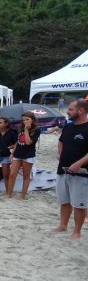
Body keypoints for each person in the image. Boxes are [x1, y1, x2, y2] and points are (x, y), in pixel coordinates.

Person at [53, 99, 88, 240]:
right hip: (63, 169)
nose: (67, 112)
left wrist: (79, 163)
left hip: (81, 173)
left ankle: (77, 231)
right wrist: (60, 154)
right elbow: (61, 142)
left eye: (71, 109)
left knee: (78, 203)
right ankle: (63, 225)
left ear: (81, 111)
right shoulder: (68, 127)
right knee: (64, 201)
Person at [7, 112, 40, 199]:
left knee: (26, 176)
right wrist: (12, 153)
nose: (25, 121)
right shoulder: (20, 128)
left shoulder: (36, 130)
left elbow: (28, 142)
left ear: (32, 119)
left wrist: (26, 130)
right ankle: (9, 194)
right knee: (12, 174)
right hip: (18, 154)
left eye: (27, 119)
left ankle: (22, 196)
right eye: (23, 120)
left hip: (28, 155)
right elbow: (18, 142)